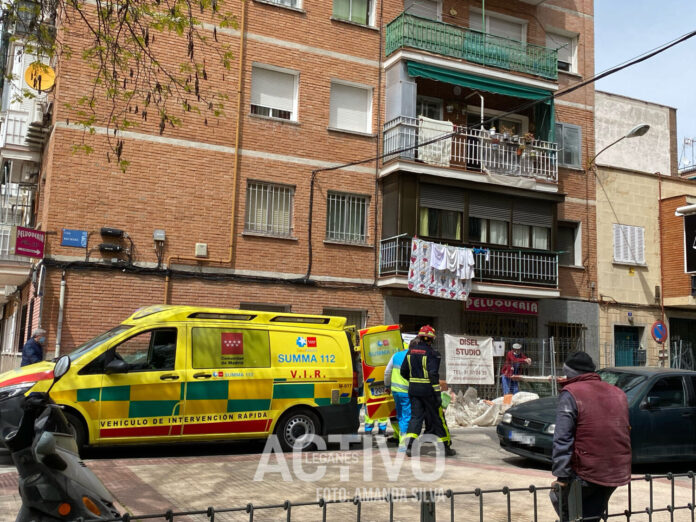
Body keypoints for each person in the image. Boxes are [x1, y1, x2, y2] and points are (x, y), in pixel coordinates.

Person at [550, 352, 631, 521]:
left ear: (570, 373)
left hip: (586, 470)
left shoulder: (571, 392)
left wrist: (562, 476)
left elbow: (563, 437)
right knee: (591, 513)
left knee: (562, 502)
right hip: (617, 470)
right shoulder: (618, 392)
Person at [400, 325, 455, 457]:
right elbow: (433, 375)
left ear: (419, 337)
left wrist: (414, 381)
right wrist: (437, 395)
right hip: (429, 392)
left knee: (415, 418)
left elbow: (403, 372)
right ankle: (445, 447)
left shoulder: (410, 353)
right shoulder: (433, 354)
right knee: (438, 418)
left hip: (413, 391)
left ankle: (410, 446)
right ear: (431, 339)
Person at [384, 341, 411, 443]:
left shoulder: (395, 355)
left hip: (395, 391)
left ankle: (400, 437)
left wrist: (387, 386)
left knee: (400, 415)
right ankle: (404, 441)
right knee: (407, 416)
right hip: (406, 391)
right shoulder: (412, 356)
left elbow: (387, 372)